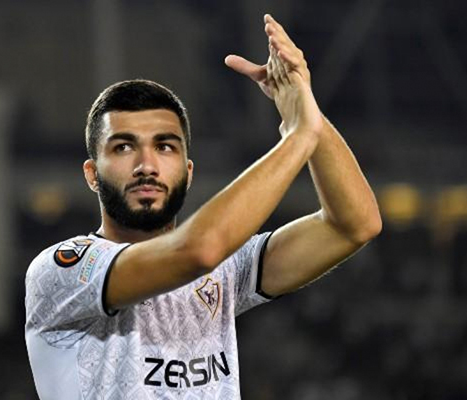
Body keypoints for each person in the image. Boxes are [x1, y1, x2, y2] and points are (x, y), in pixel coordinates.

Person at [25, 14, 381, 400]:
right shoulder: (64, 271)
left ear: (188, 171)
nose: (147, 165)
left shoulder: (224, 269)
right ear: (92, 174)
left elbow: (354, 225)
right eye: (124, 147)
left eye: (165, 146)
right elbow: (198, 251)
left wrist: (306, 109)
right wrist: (299, 136)